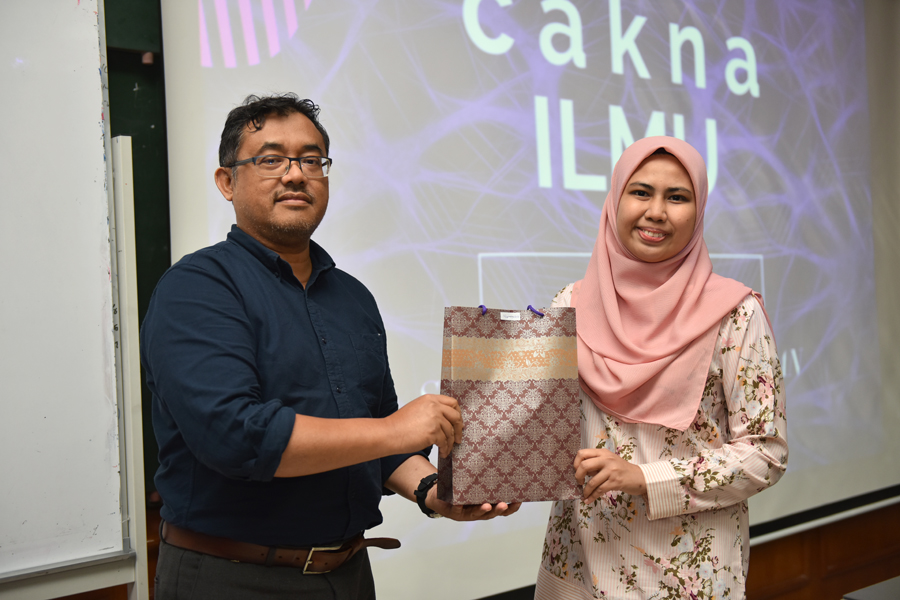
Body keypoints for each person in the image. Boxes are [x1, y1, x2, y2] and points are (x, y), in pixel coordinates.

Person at [141, 93, 519, 600]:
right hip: (232, 575)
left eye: (311, 160)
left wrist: (436, 492)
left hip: (349, 573)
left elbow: (379, 439)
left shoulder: (352, 297)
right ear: (227, 181)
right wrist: (393, 430)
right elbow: (236, 436)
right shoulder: (197, 287)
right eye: (271, 159)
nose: (295, 175)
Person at [534, 137, 788, 599]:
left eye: (677, 197)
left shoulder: (735, 314)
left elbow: (765, 454)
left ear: (698, 209)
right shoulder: (569, 304)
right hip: (579, 566)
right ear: (615, 199)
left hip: (685, 576)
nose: (656, 212)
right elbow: (545, 430)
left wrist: (646, 478)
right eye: (640, 192)